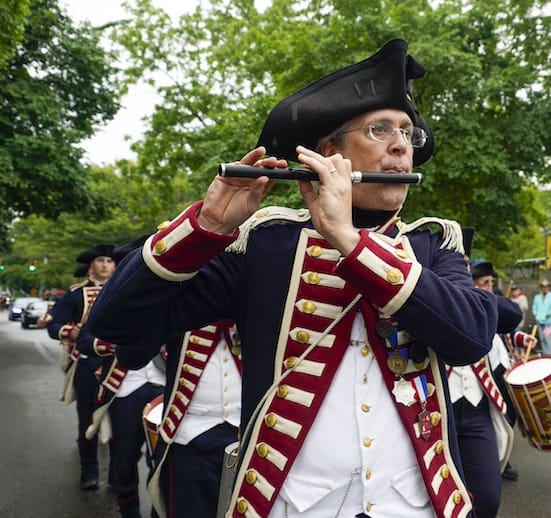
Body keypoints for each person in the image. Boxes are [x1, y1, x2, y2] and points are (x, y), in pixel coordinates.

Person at [88, 39, 498, 518]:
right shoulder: (263, 246)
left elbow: (470, 338)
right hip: (291, 506)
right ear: (329, 155)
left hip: (416, 506)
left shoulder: (433, 244)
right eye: (381, 129)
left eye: (408, 133)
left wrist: (348, 238)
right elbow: (117, 322)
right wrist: (207, 227)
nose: (401, 145)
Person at [116, 320, 241, 518]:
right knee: (126, 457)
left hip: (249, 431)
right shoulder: (186, 296)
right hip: (188, 433)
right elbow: (130, 354)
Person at [82, 238, 166, 518]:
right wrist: (114, 343)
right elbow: (85, 336)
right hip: (123, 389)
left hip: (164, 388)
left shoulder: (171, 296)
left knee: (164, 464)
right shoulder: (110, 299)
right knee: (124, 460)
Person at [448, 260, 519, 516]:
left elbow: (512, 316)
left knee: (488, 497)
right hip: (439, 410)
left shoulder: (479, 303)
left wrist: (464, 287)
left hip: (478, 409)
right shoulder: (429, 295)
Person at [47, 244, 116, 490]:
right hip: (87, 364)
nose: (106, 265)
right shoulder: (76, 295)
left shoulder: (125, 291)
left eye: (110, 260)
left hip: (120, 364)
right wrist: (69, 331)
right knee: (87, 418)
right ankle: (89, 470)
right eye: (101, 260)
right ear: (91, 266)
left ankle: (119, 474)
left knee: (121, 420)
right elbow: (53, 323)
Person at [532, 278, 551, 355]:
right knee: (542, 338)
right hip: (539, 320)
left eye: (546, 286)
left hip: (548, 321)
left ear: (548, 287)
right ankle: (545, 353)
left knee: (548, 338)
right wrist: (536, 314)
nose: (545, 288)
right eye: (543, 286)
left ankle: (550, 354)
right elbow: (534, 307)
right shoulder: (537, 297)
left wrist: (548, 314)